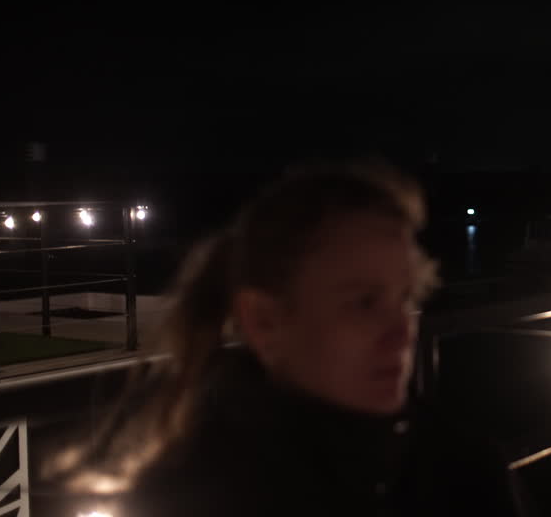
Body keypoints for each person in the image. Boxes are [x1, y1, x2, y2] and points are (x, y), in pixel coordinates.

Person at [58, 164, 523, 516]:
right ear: (264, 321)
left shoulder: (464, 471)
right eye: (363, 303)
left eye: (406, 298)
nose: (403, 332)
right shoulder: (191, 495)